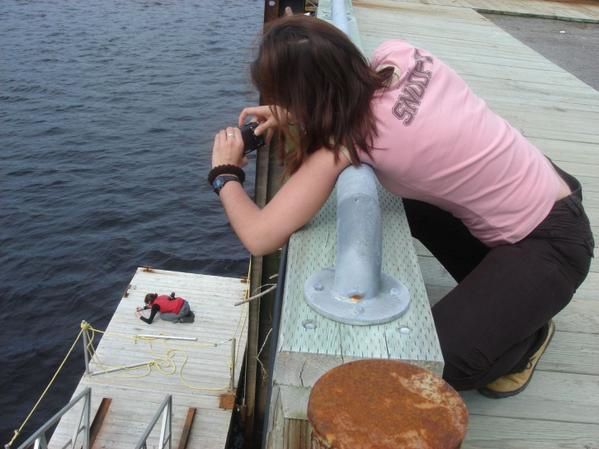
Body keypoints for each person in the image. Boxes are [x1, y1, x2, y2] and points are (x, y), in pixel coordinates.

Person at [207, 16, 593, 398]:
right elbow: (360, 93)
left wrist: (225, 173)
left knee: (436, 362)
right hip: (553, 190)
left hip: (551, 246)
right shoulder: (403, 55)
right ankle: (514, 304)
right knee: (410, 202)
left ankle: (529, 339)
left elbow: (259, 237)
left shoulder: (351, 142)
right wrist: (294, 111)